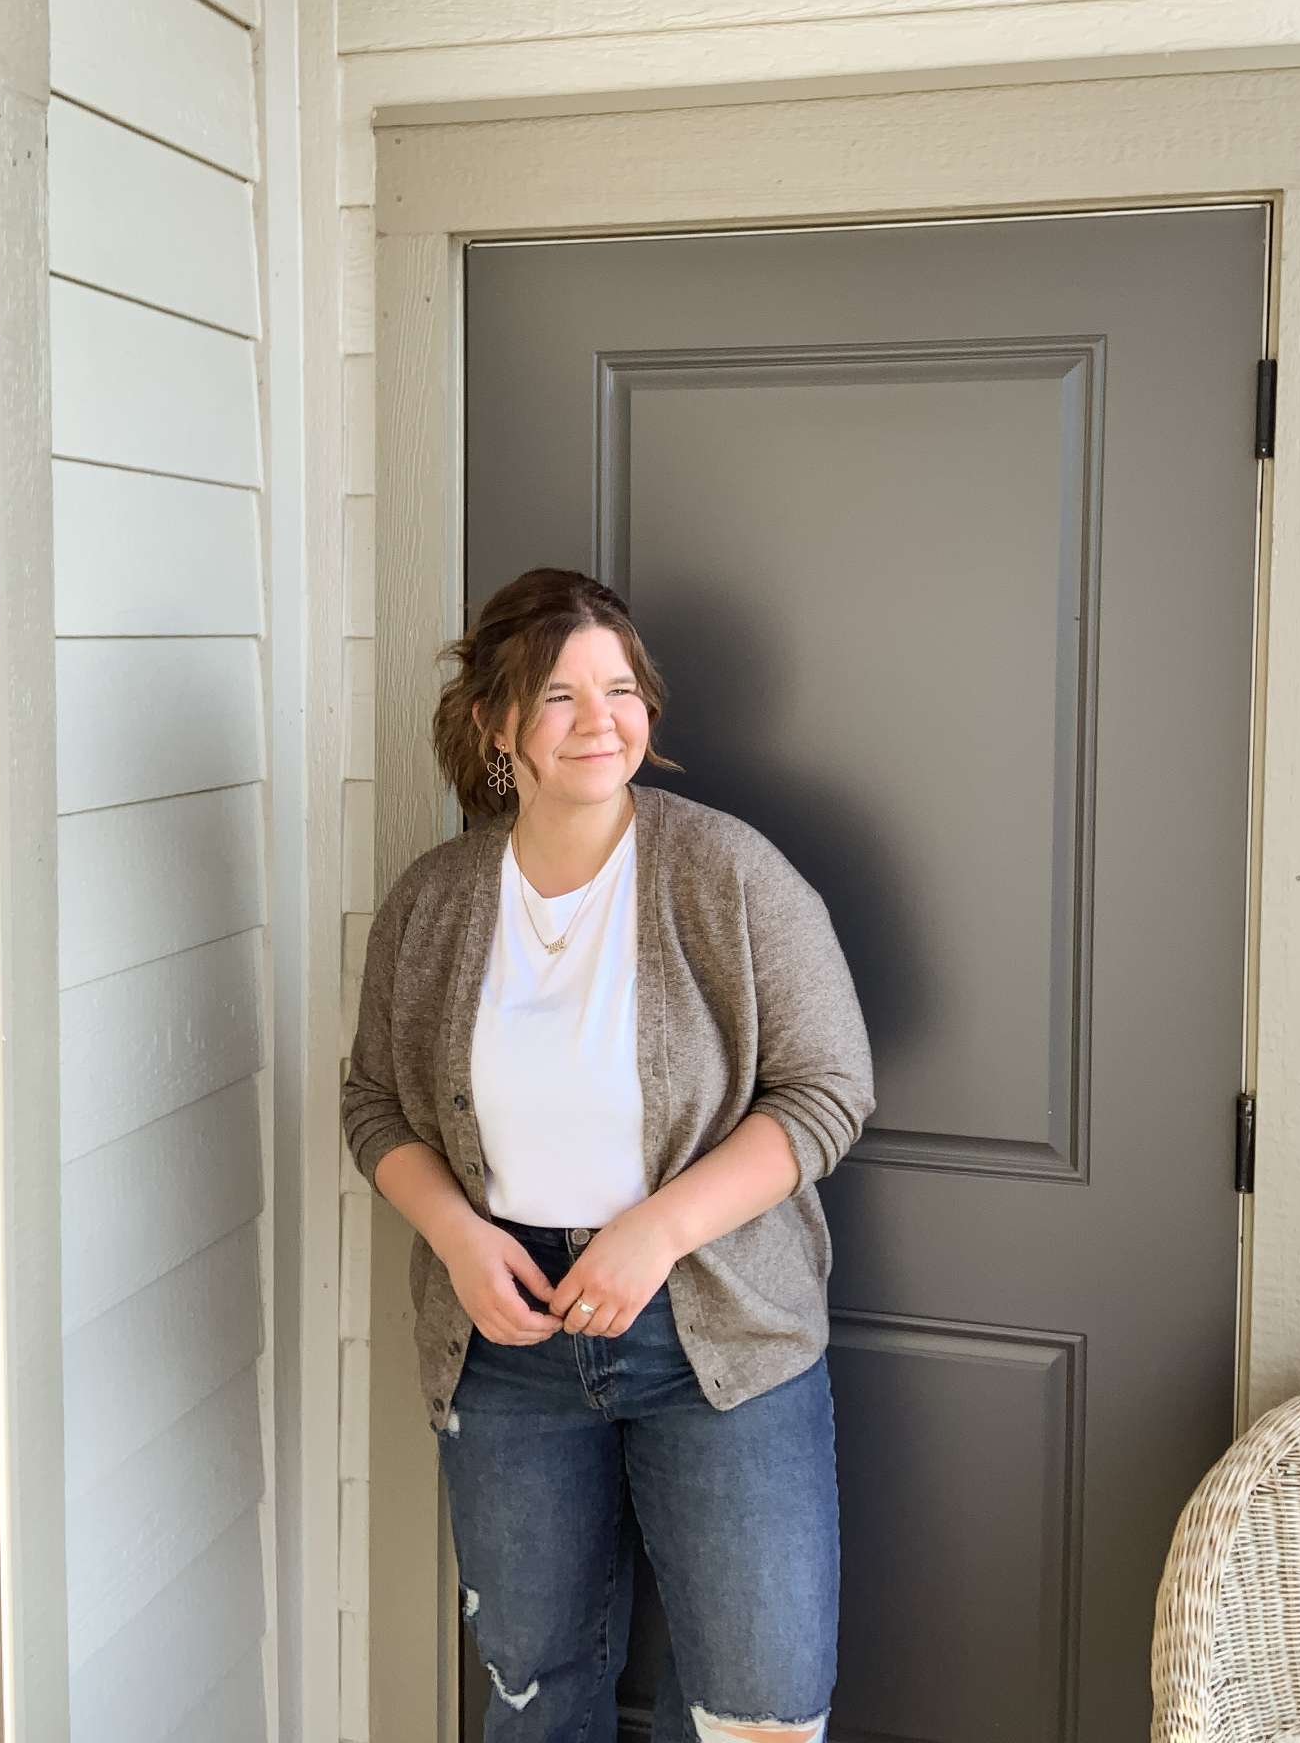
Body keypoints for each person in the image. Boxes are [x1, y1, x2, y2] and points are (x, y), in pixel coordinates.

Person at [341, 566, 875, 1743]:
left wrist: (656, 1231)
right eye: (559, 695)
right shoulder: (432, 902)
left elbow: (831, 1088)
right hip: (504, 1348)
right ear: (495, 724)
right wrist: (457, 1235)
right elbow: (374, 1100)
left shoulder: (726, 871)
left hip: (718, 1334)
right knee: (534, 1694)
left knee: (762, 1714)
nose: (601, 720)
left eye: (621, 688)